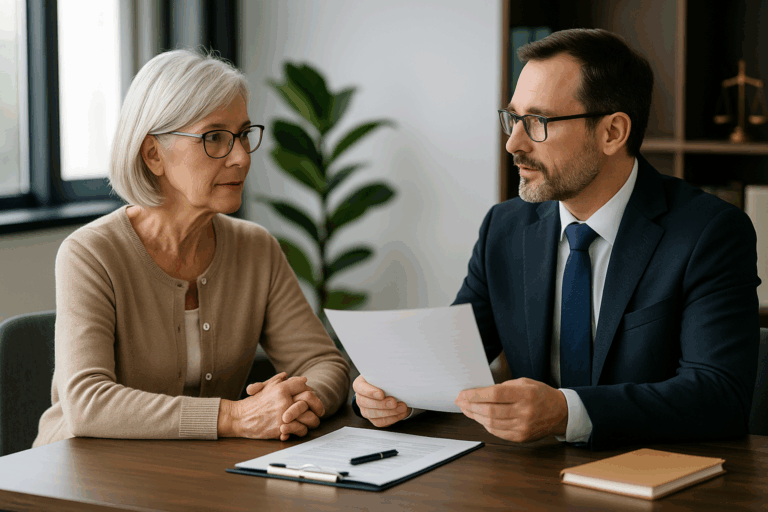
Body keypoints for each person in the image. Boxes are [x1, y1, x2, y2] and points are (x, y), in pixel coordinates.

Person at [352, 28, 760, 450]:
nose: (513, 143)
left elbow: (719, 396)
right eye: (513, 118)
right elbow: (452, 357)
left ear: (612, 133)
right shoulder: (504, 228)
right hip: (532, 478)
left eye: (538, 122)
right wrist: (388, 395)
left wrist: (567, 413)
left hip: (656, 479)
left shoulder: (709, 232)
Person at [33, 49, 349, 447]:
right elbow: (88, 403)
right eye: (214, 137)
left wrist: (297, 404)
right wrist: (236, 415)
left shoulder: (256, 249)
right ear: (153, 154)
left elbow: (323, 363)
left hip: (194, 475)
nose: (240, 157)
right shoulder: (91, 253)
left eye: (243, 135)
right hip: (78, 478)